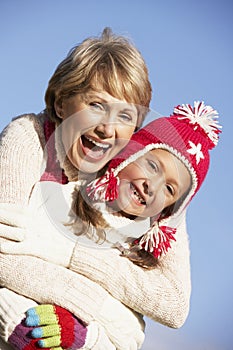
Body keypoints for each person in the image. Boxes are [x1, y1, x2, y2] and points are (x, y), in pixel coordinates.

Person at [0, 102, 221, 349]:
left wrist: (83, 337)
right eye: (152, 165)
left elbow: (130, 337)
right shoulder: (56, 200)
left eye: (170, 189)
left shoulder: (138, 256)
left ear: (171, 209)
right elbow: (5, 261)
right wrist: (18, 322)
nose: (153, 186)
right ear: (129, 153)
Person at [0, 26, 152, 350]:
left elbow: (132, 332)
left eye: (125, 115)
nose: (107, 128)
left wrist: (84, 336)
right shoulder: (27, 138)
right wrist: (16, 318)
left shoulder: (120, 189)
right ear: (61, 103)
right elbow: (2, 254)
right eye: (96, 104)